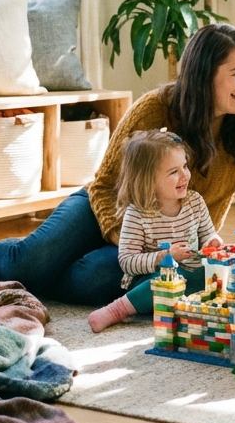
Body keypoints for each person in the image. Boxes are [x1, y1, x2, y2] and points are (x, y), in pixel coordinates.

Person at [0, 23, 235, 306]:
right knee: (32, 263)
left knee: (96, 281)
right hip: (107, 212)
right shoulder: (156, 109)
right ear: (205, 75)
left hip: (170, 242)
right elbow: (106, 183)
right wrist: (125, 240)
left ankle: (36, 268)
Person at [87, 130, 222, 332]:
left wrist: (213, 241)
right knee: (169, 277)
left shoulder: (195, 202)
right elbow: (127, 262)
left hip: (190, 276)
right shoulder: (137, 214)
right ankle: (117, 310)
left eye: (184, 166)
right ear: (149, 180)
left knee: (215, 273)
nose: (185, 175)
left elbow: (208, 235)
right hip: (151, 282)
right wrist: (166, 257)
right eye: (174, 172)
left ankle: (188, 306)